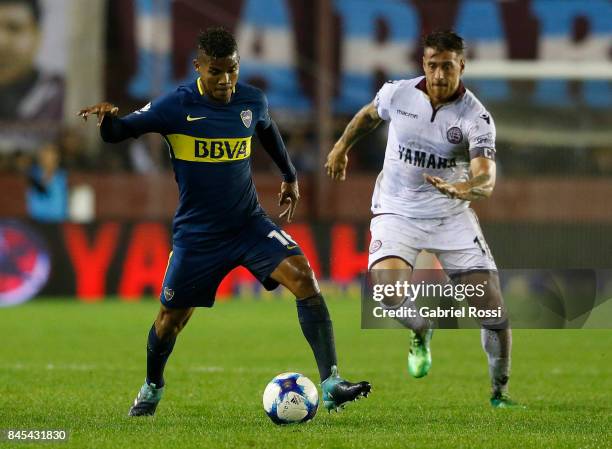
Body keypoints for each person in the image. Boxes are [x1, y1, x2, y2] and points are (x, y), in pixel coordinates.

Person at [79, 27, 371, 417]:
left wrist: (289, 176)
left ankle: (332, 382)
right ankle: (152, 386)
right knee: (169, 323)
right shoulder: (175, 105)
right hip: (198, 236)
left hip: (248, 224)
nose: (226, 80)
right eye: (216, 71)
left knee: (304, 278)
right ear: (198, 67)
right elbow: (120, 132)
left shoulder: (252, 100)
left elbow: (267, 131)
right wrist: (107, 120)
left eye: (232, 69)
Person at [326, 30, 521, 408]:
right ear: (424, 64)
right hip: (397, 209)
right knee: (385, 290)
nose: (439, 74)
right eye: (432, 65)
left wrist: (464, 189)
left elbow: (486, 178)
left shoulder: (476, 117)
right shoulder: (398, 94)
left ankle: (500, 391)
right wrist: (340, 148)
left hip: (451, 216)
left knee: (493, 312)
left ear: (461, 66)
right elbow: (368, 115)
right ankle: (421, 330)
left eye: (447, 66)